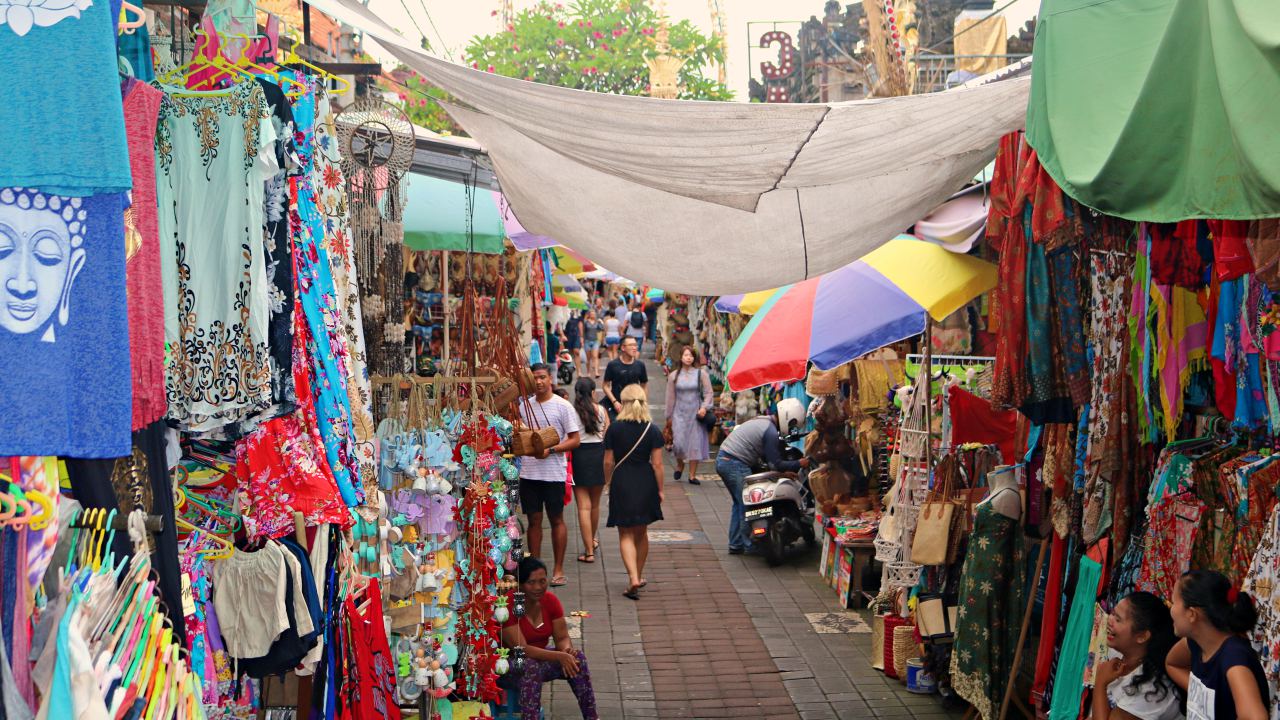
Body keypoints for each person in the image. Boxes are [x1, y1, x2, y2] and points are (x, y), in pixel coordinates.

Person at [501, 557, 599, 720]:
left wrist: (567, 651)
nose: (538, 587)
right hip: (509, 665)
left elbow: (561, 638)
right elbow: (522, 650)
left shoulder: (550, 601)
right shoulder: (507, 606)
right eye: (531, 583)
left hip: (539, 660)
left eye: (542, 581)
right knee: (530, 666)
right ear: (520, 584)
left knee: (578, 659)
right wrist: (560, 656)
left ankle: (592, 717)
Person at [1166, 570, 1269, 720]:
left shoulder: (1234, 658)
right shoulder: (1195, 643)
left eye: (1174, 602)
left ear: (1192, 614)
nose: (1171, 608)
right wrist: (1203, 698)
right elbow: (1173, 664)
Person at [714, 399, 808, 554]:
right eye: (791, 425)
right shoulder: (770, 431)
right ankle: (749, 545)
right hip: (735, 463)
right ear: (787, 419)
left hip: (724, 460)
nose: (791, 429)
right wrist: (799, 463)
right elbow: (775, 463)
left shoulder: (764, 421)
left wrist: (783, 472)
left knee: (739, 503)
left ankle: (736, 544)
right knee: (747, 505)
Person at [518, 363, 582, 587]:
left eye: (542, 377)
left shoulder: (563, 406)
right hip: (528, 473)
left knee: (556, 519)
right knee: (534, 521)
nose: (538, 382)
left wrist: (552, 450)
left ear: (550, 379)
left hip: (554, 473)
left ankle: (558, 569)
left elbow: (575, 439)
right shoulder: (524, 406)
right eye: (534, 378)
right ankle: (535, 570)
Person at [603, 384, 665, 599]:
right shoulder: (652, 429)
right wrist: (660, 489)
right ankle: (639, 573)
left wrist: (608, 482)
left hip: (622, 481)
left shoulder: (614, 429)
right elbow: (657, 465)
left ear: (624, 403)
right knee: (642, 531)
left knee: (625, 532)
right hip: (645, 480)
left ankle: (632, 577)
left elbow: (608, 461)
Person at [1092, 591, 1183, 720]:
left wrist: (1100, 682)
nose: (1109, 620)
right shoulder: (1118, 653)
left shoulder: (1151, 688)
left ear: (1142, 636)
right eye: (1112, 613)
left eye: (1118, 619)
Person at [664, 346, 713, 486]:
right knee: (678, 444)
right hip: (678, 414)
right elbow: (670, 397)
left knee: (695, 444)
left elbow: (709, 393)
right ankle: (680, 465)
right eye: (686, 355)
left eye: (691, 355)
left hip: (696, 415)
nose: (688, 358)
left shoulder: (701, 374)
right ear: (681, 357)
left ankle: (692, 475)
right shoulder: (674, 376)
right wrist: (668, 416)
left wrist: (704, 407)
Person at [571, 377, 608, 563]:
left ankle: (589, 552)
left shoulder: (572, 411)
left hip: (579, 456)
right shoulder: (601, 410)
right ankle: (592, 540)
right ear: (593, 392)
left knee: (583, 507)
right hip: (598, 455)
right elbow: (605, 433)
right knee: (595, 505)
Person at [603, 336, 647, 420]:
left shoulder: (640, 365)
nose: (634, 348)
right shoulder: (613, 365)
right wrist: (614, 401)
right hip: (616, 404)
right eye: (631, 345)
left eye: (635, 345)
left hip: (633, 405)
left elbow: (644, 385)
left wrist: (643, 403)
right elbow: (605, 386)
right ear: (623, 347)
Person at [582, 310, 604, 378]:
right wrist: (582, 339)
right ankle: (588, 372)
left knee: (595, 356)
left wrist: (601, 322)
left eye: (594, 314)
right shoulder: (586, 322)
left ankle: (596, 372)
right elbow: (583, 331)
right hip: (587, 341)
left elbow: (601, 329)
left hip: (595, 341)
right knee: (588, 358)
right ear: (589, 315)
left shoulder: (597, 322)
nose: (593, 315)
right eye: (591, 314)